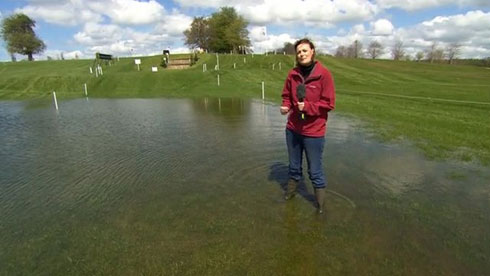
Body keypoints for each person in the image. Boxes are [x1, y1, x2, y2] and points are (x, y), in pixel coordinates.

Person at [280, 38, 336, 214]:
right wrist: (286, 105)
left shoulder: (324, 74)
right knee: (294, 167)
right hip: (293, 129)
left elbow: (329, 103)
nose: (301, 54)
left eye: (305, 50)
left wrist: (309, 107)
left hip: (314, 132)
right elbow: (287, 95)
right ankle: (290, 195)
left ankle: (319, 207)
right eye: (298, 52)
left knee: (315, 171)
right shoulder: (293, 74)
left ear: (312, 51)